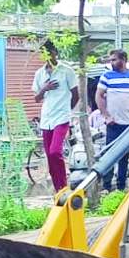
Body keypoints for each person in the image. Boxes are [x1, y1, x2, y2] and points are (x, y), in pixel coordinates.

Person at [33, 41, 80, 190]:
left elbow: (75, 95)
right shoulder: (39, 73)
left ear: (55, 52)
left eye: (49, 52)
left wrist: (67, 109)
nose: (47, 55)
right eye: (44, 53)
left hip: (62, 118)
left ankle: (64, 185)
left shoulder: (66, 71)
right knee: (49, 156)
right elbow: (36, 98)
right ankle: (58, 189)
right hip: (46, 118)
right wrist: (45, 88)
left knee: (55, 151)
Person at [96, 49, 129, 190]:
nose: (111, 62)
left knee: (124, 156)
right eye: (110, 60)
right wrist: (106, 115)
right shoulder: (107, 76)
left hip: (128, 123)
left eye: (114, 59)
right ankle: (106, 186)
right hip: (113, 123)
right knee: (110, 155)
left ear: (123, 59)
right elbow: (98, 96)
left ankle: (121, 187)